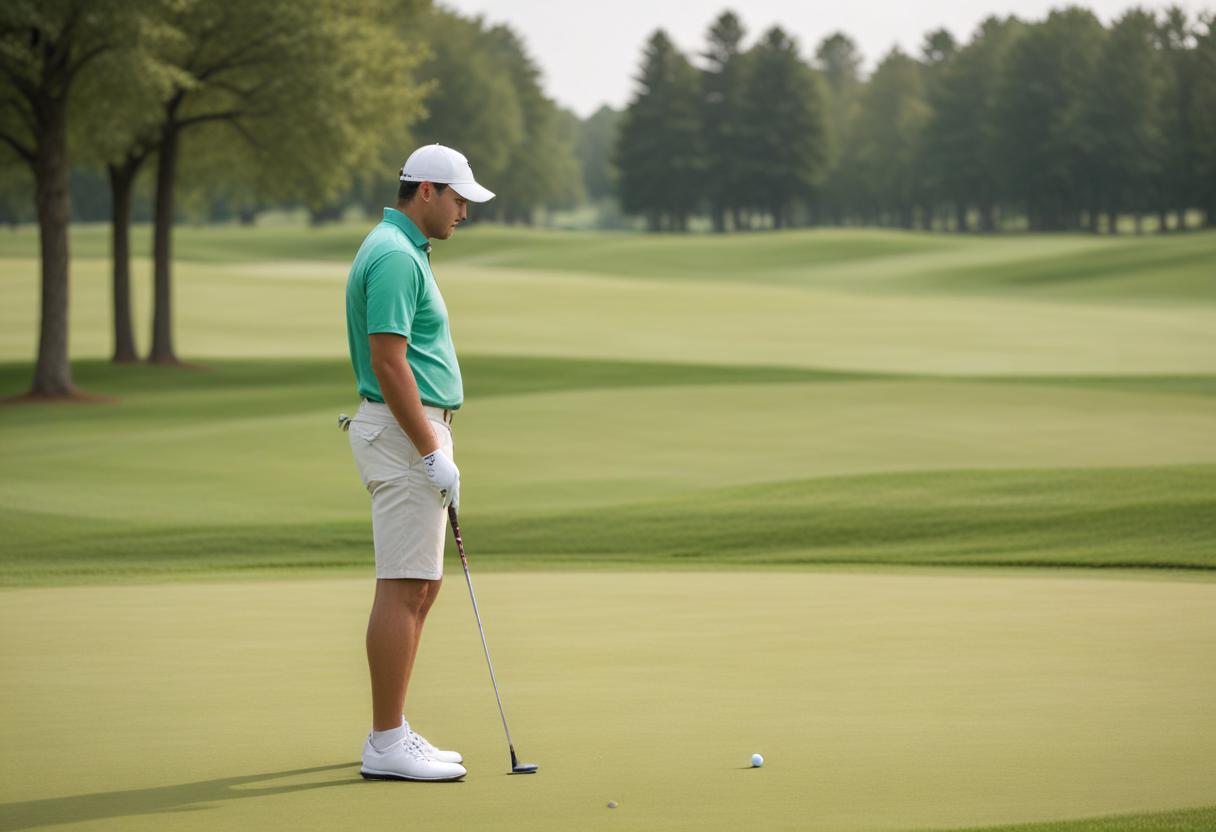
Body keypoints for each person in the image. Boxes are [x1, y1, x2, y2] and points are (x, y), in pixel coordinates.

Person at [341, 144, 494, 781]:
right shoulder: (396, 255)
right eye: (459, 199)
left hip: (415, 433)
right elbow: (388, 361)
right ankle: (384, 742)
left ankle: (395, 729)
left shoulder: (402, 249)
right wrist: (431, 450)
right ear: (425, 191)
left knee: (420, 588)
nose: (465, 211)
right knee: (404, 587)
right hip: (407, 435)